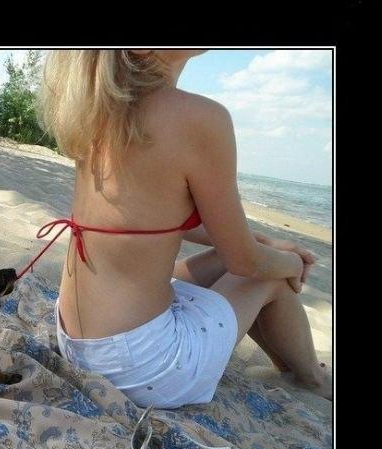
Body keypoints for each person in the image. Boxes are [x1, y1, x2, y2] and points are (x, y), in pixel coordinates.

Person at [37, 49, 331, 408]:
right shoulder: (200, 118)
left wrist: (265, 241)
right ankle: (313, 379)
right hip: (142, 368)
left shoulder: (104, 110)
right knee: (270, 275)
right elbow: (245, 262)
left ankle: (290, 367)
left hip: (77, 342)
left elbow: (148, 217)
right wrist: (294, 263)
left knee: (255, 256)